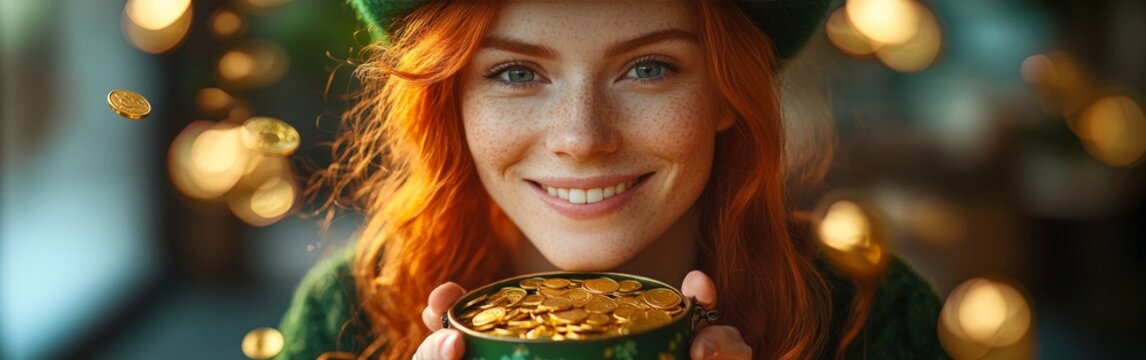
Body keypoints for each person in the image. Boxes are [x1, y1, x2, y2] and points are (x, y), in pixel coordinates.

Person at [279, 1, 948, 359]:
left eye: (649, 67)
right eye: (516, 73)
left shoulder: (873, 315)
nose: (582, 138)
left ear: (727, 91)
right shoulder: (349, 315)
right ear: (451, 98)